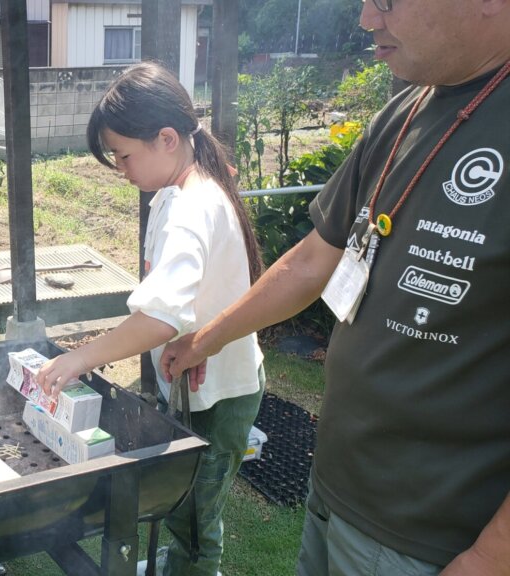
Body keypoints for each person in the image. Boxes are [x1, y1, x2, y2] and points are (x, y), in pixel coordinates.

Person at [160, 1, 510, 574]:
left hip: (429, 537)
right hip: (335, 490)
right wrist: (207, 338)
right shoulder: (407, 111)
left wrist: (492, 557)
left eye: (387, 1)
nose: (368, 19)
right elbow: (312, 262)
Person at [35, 61, 265, 576]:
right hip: (197, 381)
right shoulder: (177, 191)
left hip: (217, 395)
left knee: (197, 524)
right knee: (184, 510)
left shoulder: (190, 207)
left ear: (166, 138)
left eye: (124, 155)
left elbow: (160, 318)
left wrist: (80, 358)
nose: (122, 169)